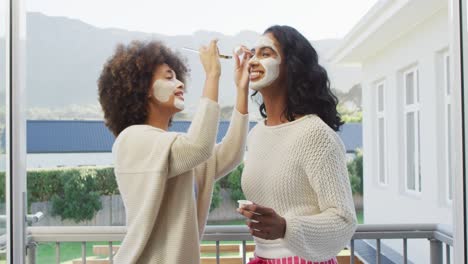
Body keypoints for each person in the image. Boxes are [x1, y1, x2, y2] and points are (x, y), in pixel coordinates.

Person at [98, 39, 250, 263]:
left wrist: (241, 90)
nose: (180, 84)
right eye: (169, 77)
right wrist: (212, 76)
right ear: (142, 88)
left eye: (177, 77)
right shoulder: (132, 140)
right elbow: (198, 147)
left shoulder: (170, 149)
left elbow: (230, 154)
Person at [237, 25, 357, 264]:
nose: (253, 60)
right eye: (252, 53)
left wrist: (284, 227)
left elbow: (344, 220)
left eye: (266, 53)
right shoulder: (257, 134)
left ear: (290, 66)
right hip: (261, 258)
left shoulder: (315, 134)